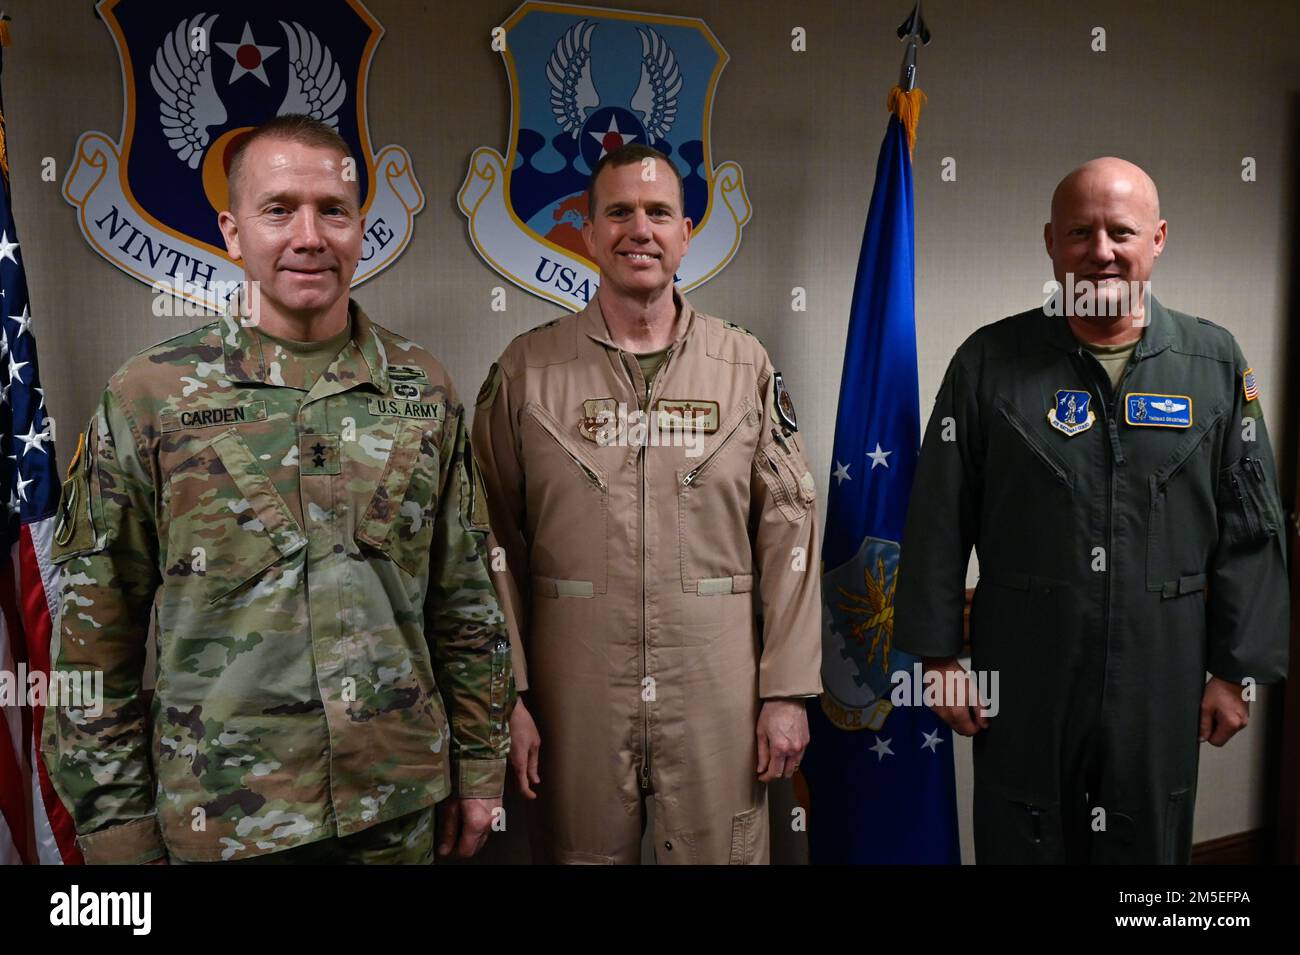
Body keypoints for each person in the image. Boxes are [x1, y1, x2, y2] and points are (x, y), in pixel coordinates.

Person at [42, 114, 512, 864]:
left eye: (333, 209)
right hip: (224, 821)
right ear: (233, 232)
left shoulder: (424, 390)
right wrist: (114, 829)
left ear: (362, 228)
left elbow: (463, 599)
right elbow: (97, 637)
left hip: (395, 811)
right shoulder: (150, 396)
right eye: (278, 208)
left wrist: (481, 768)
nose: (309, 235)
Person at [893, 157, 1289, 864]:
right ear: (1051, 241)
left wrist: (1235, 670)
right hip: (1025, 662)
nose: (1101, 250)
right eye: (1081, 231)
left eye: (1121, 231)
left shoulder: (1214, 362)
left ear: (1158, 238)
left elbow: (1249, 527)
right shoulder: (989, 362)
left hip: (1162, 667)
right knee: (1023, 829)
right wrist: (936, 657)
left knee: (1147, 836)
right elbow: (937, 516)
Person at [472, 143, 822, 864]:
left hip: (716, 677)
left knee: (721, 851)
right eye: (620, 212)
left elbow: (791, 528)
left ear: (686, 232)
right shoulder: (528, 369)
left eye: (659, 212)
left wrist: (786, 689)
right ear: (589, 233)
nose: (641, 229)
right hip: (575, 682)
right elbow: (485, 536)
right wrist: (508, 693)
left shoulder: (742, 365)